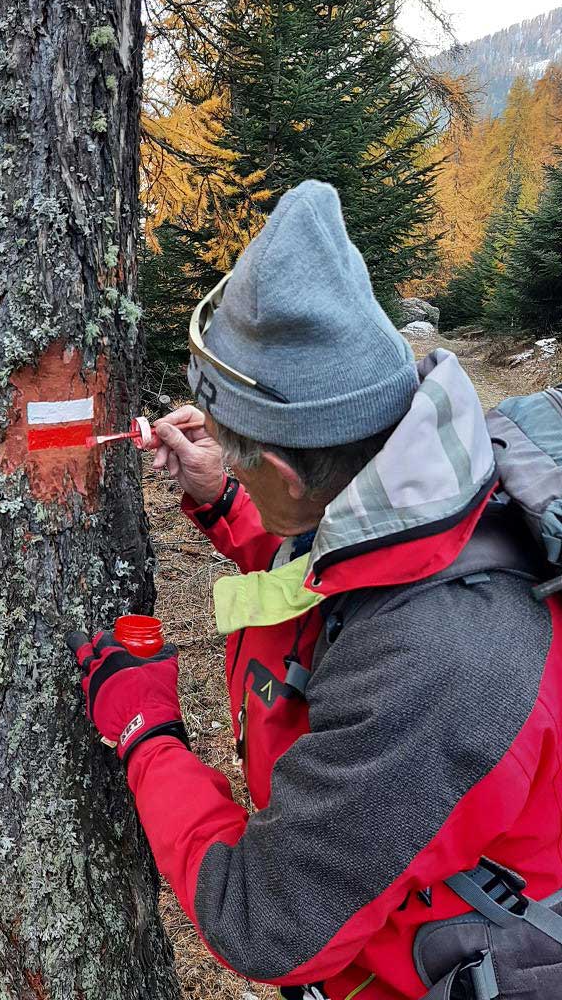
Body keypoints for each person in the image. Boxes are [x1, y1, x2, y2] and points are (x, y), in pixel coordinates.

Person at [70, 181, 562, 1000]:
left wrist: (147, 735)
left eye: (236, 449)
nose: (218, 452)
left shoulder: (437, 673)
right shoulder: (434, 472)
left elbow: (264, 924)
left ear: (292, 470)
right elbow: (348, 565)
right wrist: (226, 497)